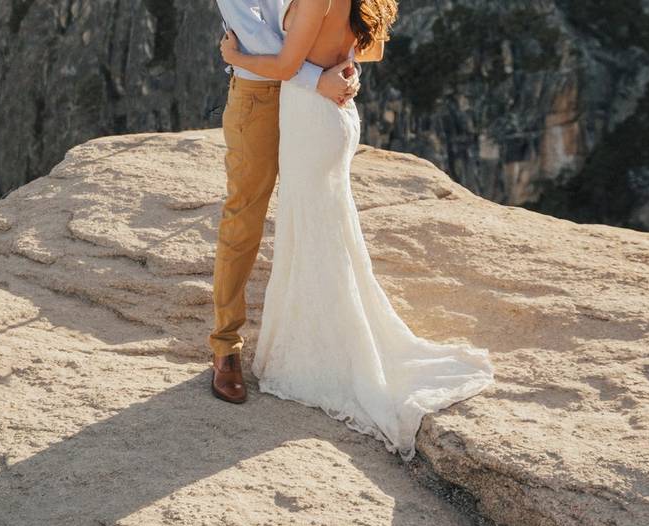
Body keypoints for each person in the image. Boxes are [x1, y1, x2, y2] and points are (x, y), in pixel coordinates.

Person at [218, 0, 495, 461]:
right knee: (266, 222)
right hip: (275, 100)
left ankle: (324, 351)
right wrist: (336, 64)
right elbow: (279, 40)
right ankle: (226, 345)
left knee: (312, 230)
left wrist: (320, 68)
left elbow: (285, 57)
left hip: (308, 104)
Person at [209, 0, 362, 405]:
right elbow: (260, 40)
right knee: (245, 219)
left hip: (310, 101)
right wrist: (319, 77)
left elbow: (335, 24)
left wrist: (345, 69)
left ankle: (319, 339)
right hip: (260, 97)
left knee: (313, 215)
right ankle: (226, 347)